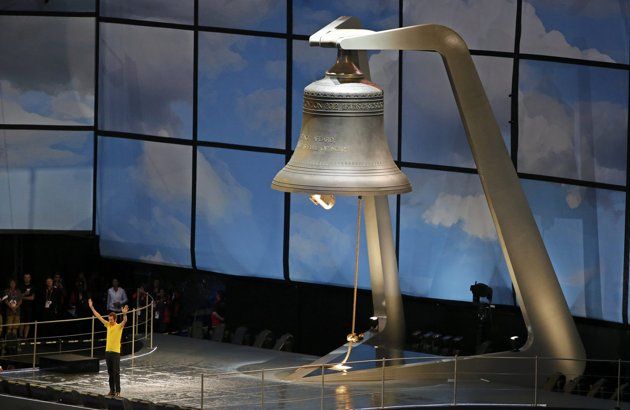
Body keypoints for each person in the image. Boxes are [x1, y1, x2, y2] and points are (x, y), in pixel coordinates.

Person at [88, 298, 128, 397]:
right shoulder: (108, 325)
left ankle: (118, 391)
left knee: (116, 372)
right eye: (109, 319)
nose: (109, 321)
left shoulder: (118, 326)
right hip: (108, 352)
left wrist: (124, 314)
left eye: (111, 320)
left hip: (115, 353)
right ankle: (112, 390)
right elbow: (98, 316)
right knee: (110, 373)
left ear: (115, 319)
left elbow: (125, 321)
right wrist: (92, 307)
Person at [20, 273, 35, 340]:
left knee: (28, 322)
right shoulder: (20, 286)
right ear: (23, 278)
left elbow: (32, 298)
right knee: (22, 322)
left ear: (30, 278)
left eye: (28, 277)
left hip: (29, 307)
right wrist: (25, 294)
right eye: (25, 277)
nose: (26, 278)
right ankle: (20, 336)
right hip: (21, 306)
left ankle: (25, 337)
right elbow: (17, 296)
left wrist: (23, 297)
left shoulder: (32, 286)